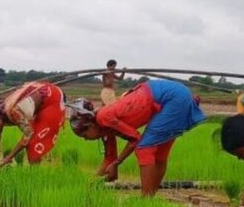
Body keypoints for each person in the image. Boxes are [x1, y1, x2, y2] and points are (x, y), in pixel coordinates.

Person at [68, 79, 206, 196]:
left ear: (90, 125)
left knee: (144, 148)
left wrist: (117, 164)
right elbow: (109, 160)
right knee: (159, 153)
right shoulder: (105, 131)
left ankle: (145, 201)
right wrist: (90, 186)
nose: (86, 139)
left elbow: (135, 139)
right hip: (172, 98)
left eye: (84, 135)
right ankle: (149, 199)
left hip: (171, 98)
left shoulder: (104, 117)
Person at [0, 80, 66, 167]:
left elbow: (28, 136)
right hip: (44, 93)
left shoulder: (14, 112)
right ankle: (33, 172)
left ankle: (34, 174)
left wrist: (9, 157)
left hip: (53, 100)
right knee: (32, 141)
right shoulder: (3, 107)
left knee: (34, 144)